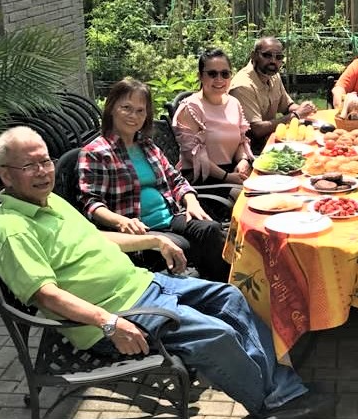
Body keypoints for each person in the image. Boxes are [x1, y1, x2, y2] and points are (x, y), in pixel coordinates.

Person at [0, 126, 334, 419]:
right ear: (6, 175)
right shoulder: (12, 229)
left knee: (230, 296)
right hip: (118, 314)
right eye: (29, 166)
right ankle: (269, 402)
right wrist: (108, 322)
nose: (43, 172)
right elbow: (45, 295)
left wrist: (154, 239)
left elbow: (98, 238)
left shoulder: (51, 202)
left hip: (143, 283)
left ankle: (279, 386)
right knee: (216, 334)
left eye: (45, 161)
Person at [78, 78, 230, 283]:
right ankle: (211, 286)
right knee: (197, 245)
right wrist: (121, 221)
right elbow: (91, 203)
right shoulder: (96, 152)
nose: (134, 116)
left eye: (140, 111)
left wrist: (191, 202)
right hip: (139, 228)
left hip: (171, 216)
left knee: (210, 229)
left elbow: (175, 179)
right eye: (126, 108)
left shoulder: (147, 146)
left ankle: (226, 286)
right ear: (112, 108)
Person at [172, 49, 254, 189]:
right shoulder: (190, 108)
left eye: (225, 74)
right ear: (200, 76)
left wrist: (243, 160)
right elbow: (194, 156)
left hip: (232, 172)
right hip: (203, 179)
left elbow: (240, 141)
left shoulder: (234, 103)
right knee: (251, 196)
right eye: (212, 74)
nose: (219, 79)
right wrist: (227, 177)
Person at [229, 37, 317, 153]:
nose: (273, 61)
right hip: (250, 151)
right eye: (267, 55)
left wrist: (304, 109)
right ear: (253, 55)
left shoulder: (273, 75)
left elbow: (286, 106)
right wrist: (296, 115)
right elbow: (257, 130)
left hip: (271, 140)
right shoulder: (242, 86)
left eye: (278, 57)